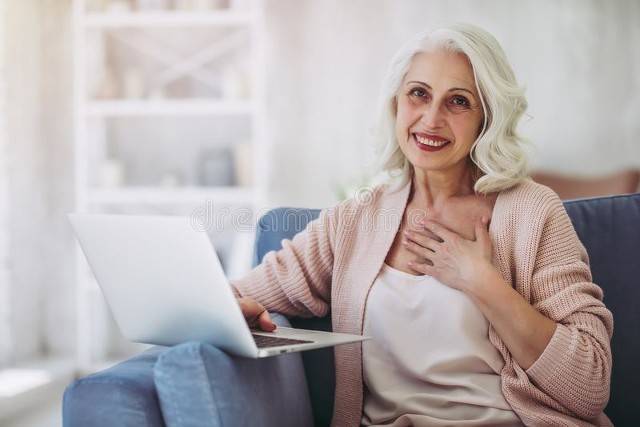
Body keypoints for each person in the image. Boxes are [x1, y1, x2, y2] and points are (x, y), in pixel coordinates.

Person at [231, 23, 613, 427]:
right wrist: (234, 312)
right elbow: (233, 294)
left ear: (487, 117)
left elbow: (588, 386)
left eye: (459, 101)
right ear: (396, 103)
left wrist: (482, 282)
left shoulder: (533, 212)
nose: (431, 119)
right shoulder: (355, 220)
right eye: (419, 94)